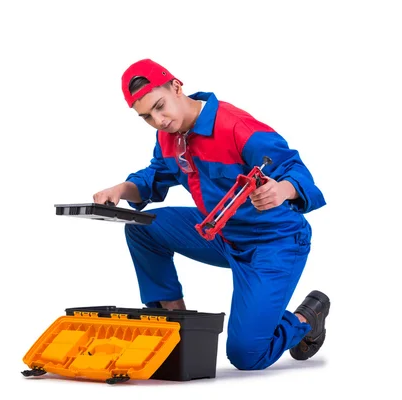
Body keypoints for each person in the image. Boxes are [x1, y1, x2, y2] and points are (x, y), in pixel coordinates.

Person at [93, 58, 330, 370]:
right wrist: (121, 190)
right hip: (219, 233)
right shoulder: (169, 136)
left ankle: (304, 319)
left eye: (160, 106)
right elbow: (154, 178)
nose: (159, 120)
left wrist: (282, 190)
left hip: (274, 243)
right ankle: (175, 317)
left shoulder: (237, 127)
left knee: (247, 355)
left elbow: (296, 171)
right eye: (147, 117)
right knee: (141, 227)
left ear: (177, 87)